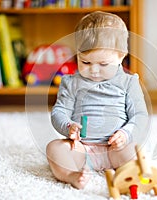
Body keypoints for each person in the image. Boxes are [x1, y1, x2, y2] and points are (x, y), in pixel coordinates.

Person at [46, 11, 148, 190]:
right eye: (85, 62)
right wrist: (68, 126)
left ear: (121, 57)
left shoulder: (128, 82)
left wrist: (125, 134)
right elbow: (59, 112)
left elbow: (140, 116)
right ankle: (72, 175)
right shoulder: (72, 82)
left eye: (102, 64)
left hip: (115, 148)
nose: (93, 70)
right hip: (82, 149)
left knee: (136, 151)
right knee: (54, 149)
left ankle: (126, 173)